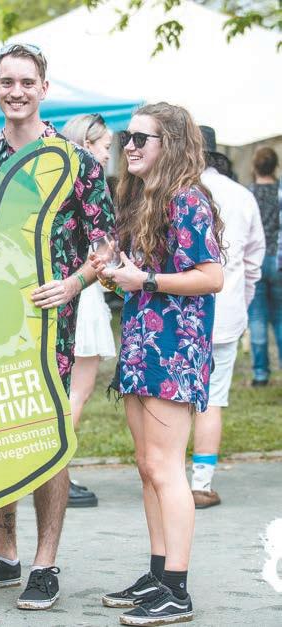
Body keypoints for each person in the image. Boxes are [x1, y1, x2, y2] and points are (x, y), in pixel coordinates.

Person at [0, 44, 115, 610]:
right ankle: (5, 556)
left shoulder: (77, 163)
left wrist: (73, 285)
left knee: (49, 439)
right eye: (7, 82)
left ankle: (45, 564)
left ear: (44, 89)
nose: (16, 92)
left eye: (26, 82)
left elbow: (106, 247)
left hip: (52, 329)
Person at [94, 103, 224, 626]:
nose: (129, 146)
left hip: (174, 350)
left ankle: (177, 589)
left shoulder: (187, 199)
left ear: (168, 144)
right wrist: (113, 269)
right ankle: (157, 572)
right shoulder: (143, 198)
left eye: (141, 138)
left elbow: (211, 276)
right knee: (147, 465)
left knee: (167, 469)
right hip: (143, 345)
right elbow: (137, 272)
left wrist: (144, 280)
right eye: (127, 137)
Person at [190, 127, 265, 509]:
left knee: (170, 401)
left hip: (177, 313)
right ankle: (200, 483)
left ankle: (167, 480)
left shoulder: (173, 192)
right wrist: (242, 303)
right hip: (225, 313)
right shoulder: (241, 195)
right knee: (212, 399)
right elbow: (253, 262)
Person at [62, 113, 116, 508]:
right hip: (83, 290)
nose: (109, 155)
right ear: (87, 143)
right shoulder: (89, 186)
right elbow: (102, 248)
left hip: (66, 289)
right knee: (77, 392)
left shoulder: (53, 180)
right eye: (105, 147)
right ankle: (57, 472)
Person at [247, 147, 281, 386]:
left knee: (257, 317)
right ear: (275, 166)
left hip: (255, 261)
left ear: (254, 166)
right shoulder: (280, 192)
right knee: (280, 317)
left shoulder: (247, 194)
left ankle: (260, 374)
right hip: (278, 260)